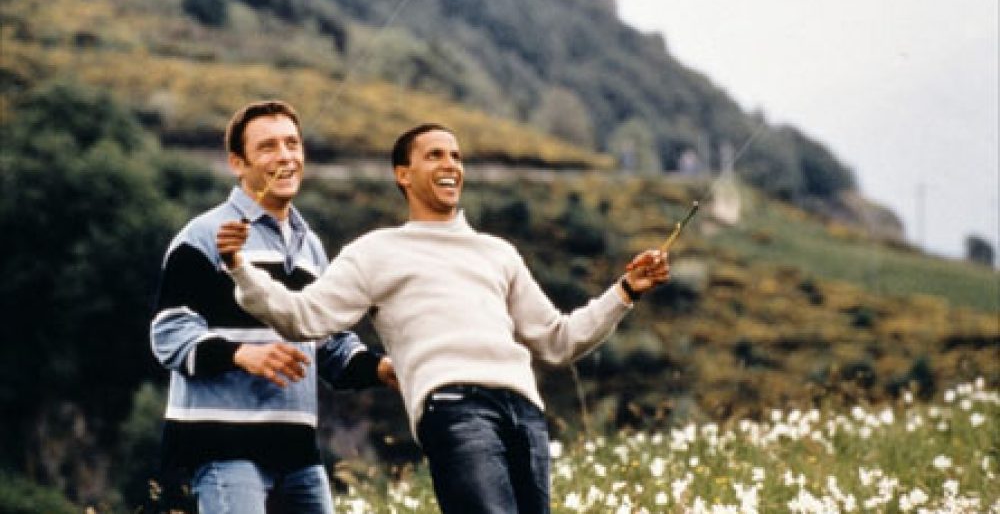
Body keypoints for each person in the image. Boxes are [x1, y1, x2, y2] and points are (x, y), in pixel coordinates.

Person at [217, 123, 670, 513]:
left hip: (525, 411)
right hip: (454, 406)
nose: (450, 164)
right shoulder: (376, 251)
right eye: (434, 155)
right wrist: (240, 266)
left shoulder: (498, 253)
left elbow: (559, 341)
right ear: (403, 174)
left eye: (456, 156)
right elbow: (302, 317)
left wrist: (625, 291)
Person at [150, 100, 397, 514]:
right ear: (237, 163)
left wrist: (380, 368)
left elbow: (328, 343)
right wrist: (242, 354)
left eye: (292, 144)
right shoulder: (203, 235)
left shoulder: (309, 246)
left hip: (296, 450)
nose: (285, 156)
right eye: (267, 147)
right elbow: (169, 335)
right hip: (221, 446)